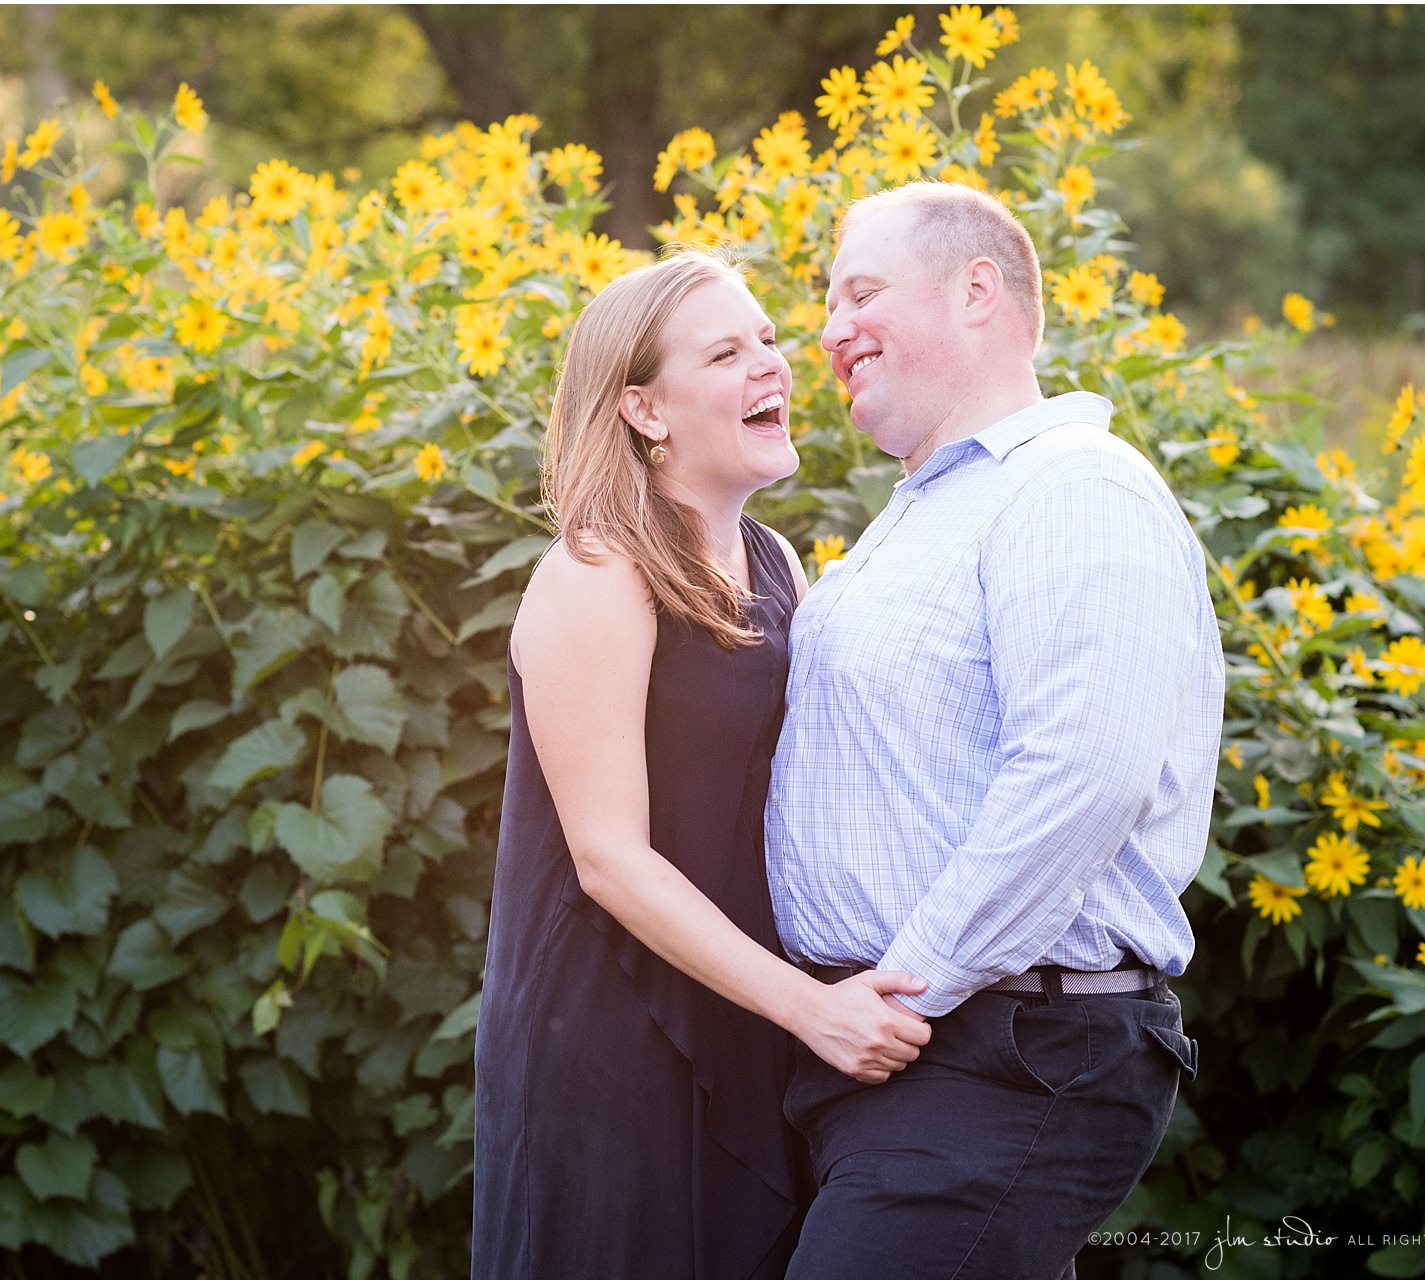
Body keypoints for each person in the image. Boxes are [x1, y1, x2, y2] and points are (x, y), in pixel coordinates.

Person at [765, 182, 1224, 1279]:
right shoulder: (928, 508)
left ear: (978, 291)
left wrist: (904, 988)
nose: (829, 332)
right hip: (900, 1054)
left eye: (860, 291)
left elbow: (1082, 777)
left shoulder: (1072, 488)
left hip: (995, 1049)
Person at [472, 249, 930, 1280]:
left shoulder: (777, 562)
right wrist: (811, 1008)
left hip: (750, 1008)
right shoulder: (598, 572)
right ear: (644, 409)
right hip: (612, 1027)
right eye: (727, 351)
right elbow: (607, 860)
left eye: (769, 339)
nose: (772, 364)